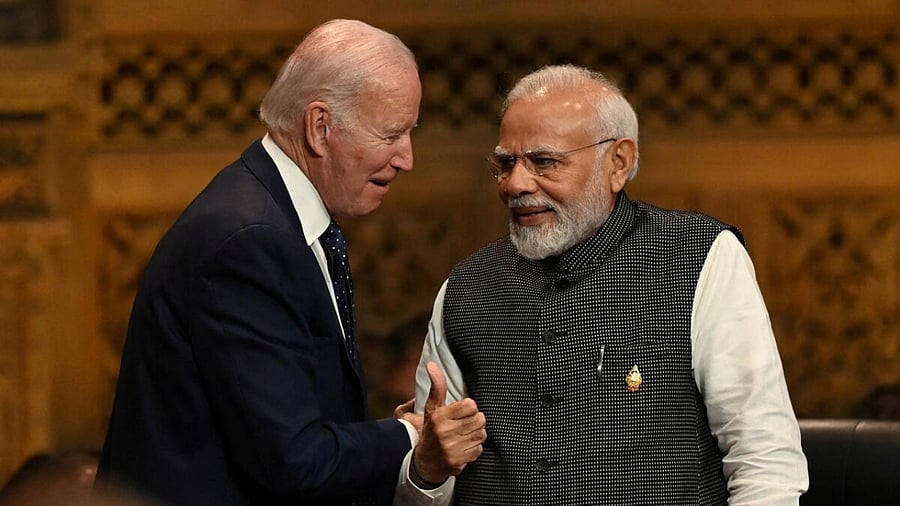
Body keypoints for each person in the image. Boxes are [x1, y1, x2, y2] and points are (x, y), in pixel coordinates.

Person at [97, 19, 482, 506]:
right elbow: (292, 460)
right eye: (391, 134)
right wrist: (410, 433)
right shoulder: (249, 240)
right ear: (320, 128)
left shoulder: (275, 215)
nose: (407, 157)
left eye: (410, 132)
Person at [396, 64, 809, 505]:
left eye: (543, 162)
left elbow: (763, 461)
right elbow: (422, 491)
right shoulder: (466, 289)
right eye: (505, 163)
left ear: (618, 163)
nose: (516, 183)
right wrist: (426, 470)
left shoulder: (699, 257)